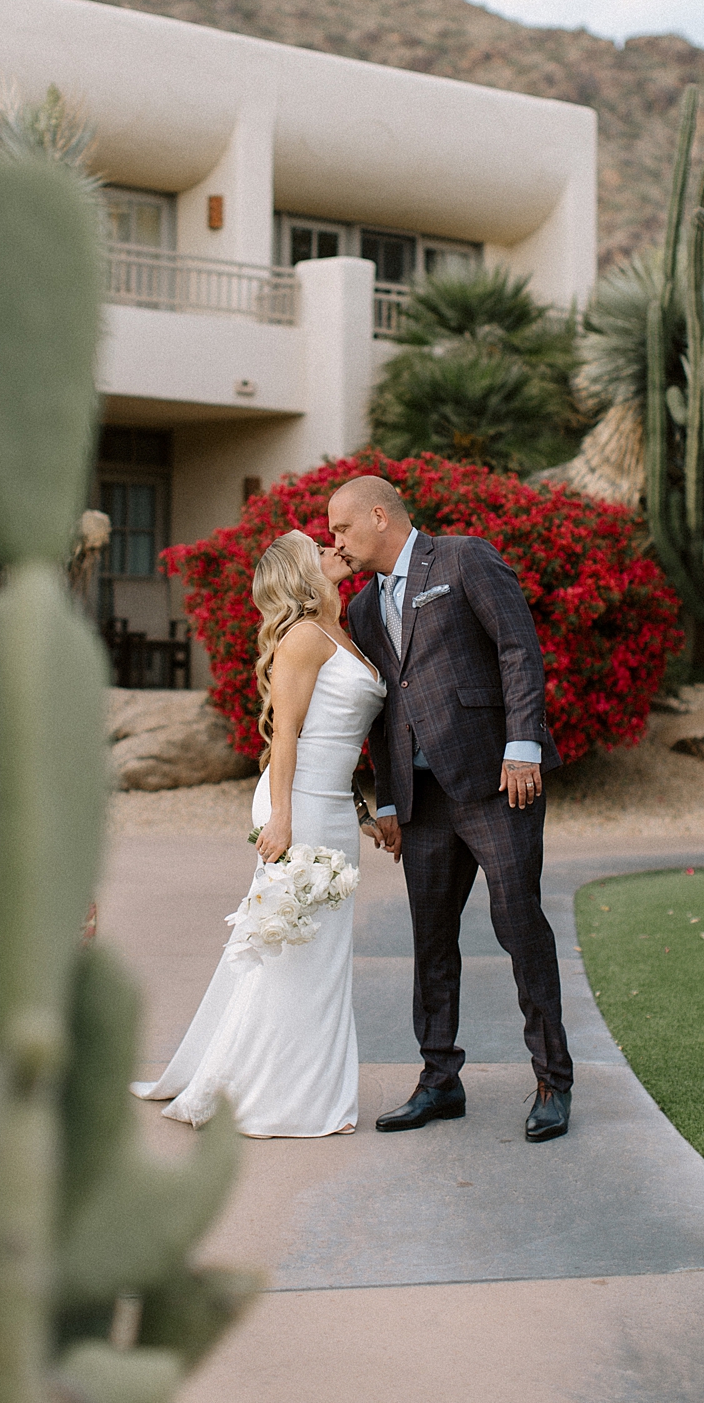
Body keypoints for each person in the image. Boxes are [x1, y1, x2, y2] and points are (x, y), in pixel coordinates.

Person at [326, 475, 571, 1143]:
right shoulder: (363, 608)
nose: (335, 542)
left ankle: (553, 1078)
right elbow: (382, 706)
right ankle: (440, 1079)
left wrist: (522, 746)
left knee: (519, 924)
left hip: (497, 780)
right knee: (431, 939)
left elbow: (518, 648)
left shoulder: (463, 557)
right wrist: (386, 801)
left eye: (342, 528)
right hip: (423, 800)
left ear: (380, 515)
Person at [133, 530, 386, 1138]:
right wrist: (280, 817)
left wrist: (362, 814)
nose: (334, 547)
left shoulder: (342, 631)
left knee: (317, 953)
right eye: (319, 545)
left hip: (326, 807)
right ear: (302, 571)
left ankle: (301, 1083)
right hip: (293, 807)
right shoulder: (303, 637)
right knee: (289, 951)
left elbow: (340, 741)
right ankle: (273, 1093)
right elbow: (289, 734)